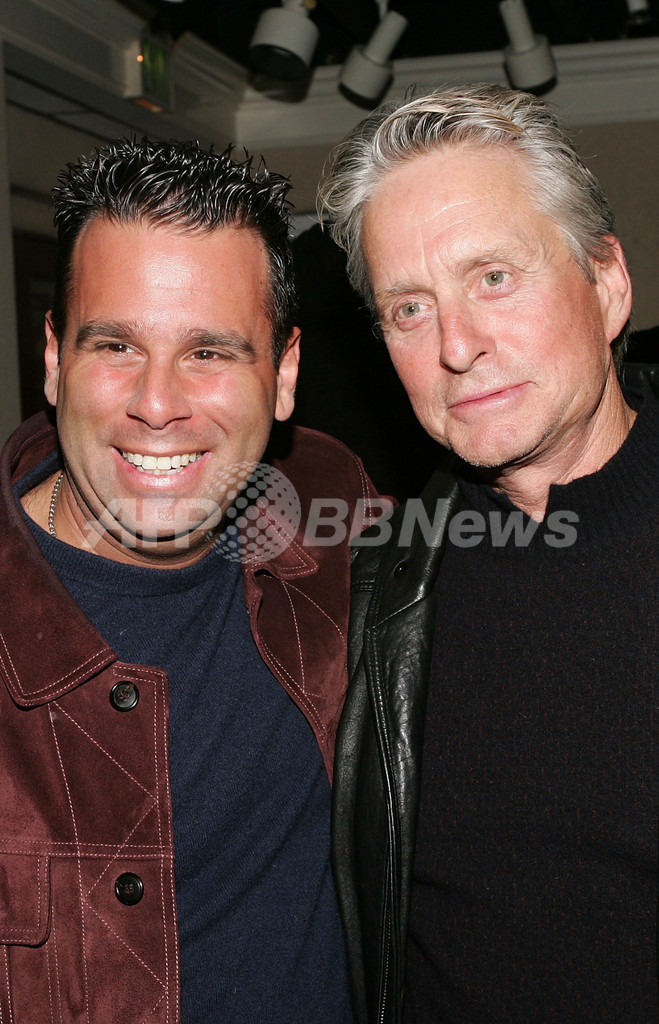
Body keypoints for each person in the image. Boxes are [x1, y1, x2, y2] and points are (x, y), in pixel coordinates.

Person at [0, 137, 380, 1023]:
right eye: (116, 345)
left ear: (283, 374)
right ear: (54, 358)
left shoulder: (333, 512)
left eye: (209, 352)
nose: (159, 403)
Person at [318, 83, 659, 1024]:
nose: (457, 345)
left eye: (493, 277)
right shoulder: (371, 593)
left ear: (606, 283)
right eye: (409, 308)